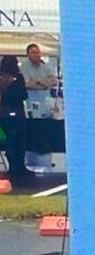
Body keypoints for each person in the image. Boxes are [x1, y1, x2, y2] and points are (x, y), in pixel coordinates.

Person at [20, 43, 58, 169]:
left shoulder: (45, 67)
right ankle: (30, 158)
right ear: (28, 54)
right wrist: (43, 84)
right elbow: (26, 84)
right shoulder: (23, 67)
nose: (36, 55)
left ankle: (44, 155)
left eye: (38, 52)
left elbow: (53, 81)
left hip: (45, 106)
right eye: (33, 52)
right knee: (30, 131)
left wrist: (37, 82)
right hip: (29, 105)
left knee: (44, 130)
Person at [0, 55, 30, 184]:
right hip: (17, 112)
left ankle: (13, 167)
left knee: (10, 141)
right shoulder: (18, 78)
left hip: (4, 113)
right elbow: (24, 95)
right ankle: (20, 166)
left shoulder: (1, 79)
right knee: (20, 141)